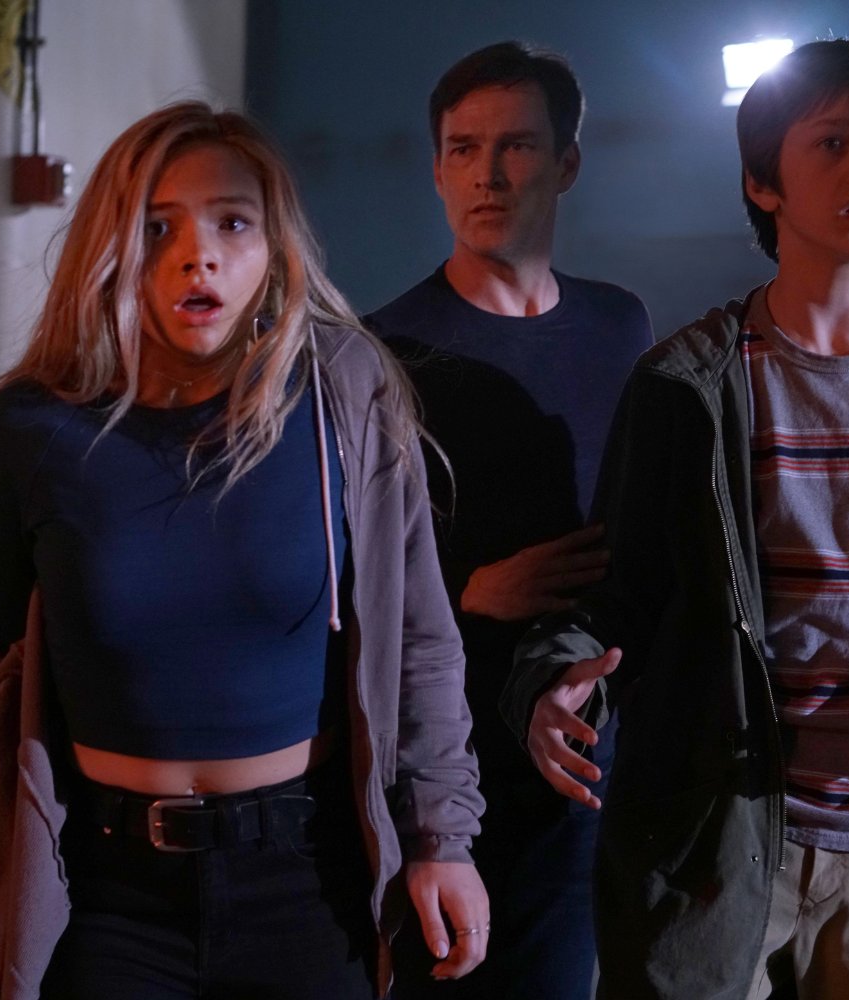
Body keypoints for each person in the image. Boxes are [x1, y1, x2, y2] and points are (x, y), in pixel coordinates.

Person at [0, 101, 487, 1000]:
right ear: (113, 246)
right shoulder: (32, 426)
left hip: (306, 882)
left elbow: (419, 638)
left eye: (232, 223)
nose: (200, 256)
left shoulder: (342, 393)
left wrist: (440, 839)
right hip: (103, 895)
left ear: (276, 246)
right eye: (159, 228)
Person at [503, 38, 849, 999]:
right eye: (832, 142)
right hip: (725, 836)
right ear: (764, 184)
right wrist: (551, 683)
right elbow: (621, 594)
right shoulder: (691, 384)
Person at [365, 41, 652, 998]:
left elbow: (642, 529)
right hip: (438, 759)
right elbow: (337, 566)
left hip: (584, 751)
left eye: (517, 146)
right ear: (437, 169)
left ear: (566, 164)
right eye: (464, 148)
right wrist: (469, 591)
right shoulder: (382, 350)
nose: (487, 174)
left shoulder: (618, 325)